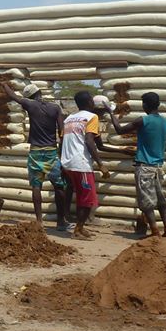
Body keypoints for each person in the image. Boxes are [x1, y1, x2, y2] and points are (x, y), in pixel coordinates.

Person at [107, 91, 166, 239]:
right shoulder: (165, 122)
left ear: (145, 105)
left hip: (144, 167)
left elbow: (119, 130)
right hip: (158, 168)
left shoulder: (143, 120)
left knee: (146, 202)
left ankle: (155, 232)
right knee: (161, 200)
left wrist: (111, 113)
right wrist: (158, 150)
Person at [2, 82, 69, 231]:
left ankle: (39, 221)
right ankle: (61, 221)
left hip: (36, 152)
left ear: (30, 97)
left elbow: (13, 96)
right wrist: (62, 153)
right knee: (59, 186)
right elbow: (62, 132)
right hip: (52, 152)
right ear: (39, 92)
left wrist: (4, 84)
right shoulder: (55, 108)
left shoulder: (30, 106)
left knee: (36, 186)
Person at [60, 91, 109, 239]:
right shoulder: (92, 117)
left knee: (82, 197)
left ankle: (80, 229)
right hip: (81, 164)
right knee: (88, 199)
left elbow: (62, 142)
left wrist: (61, 161)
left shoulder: (68, 119)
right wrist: (101, 164)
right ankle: (78, 230)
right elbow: (89, 141)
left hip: (67, 164)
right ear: (89, 102)